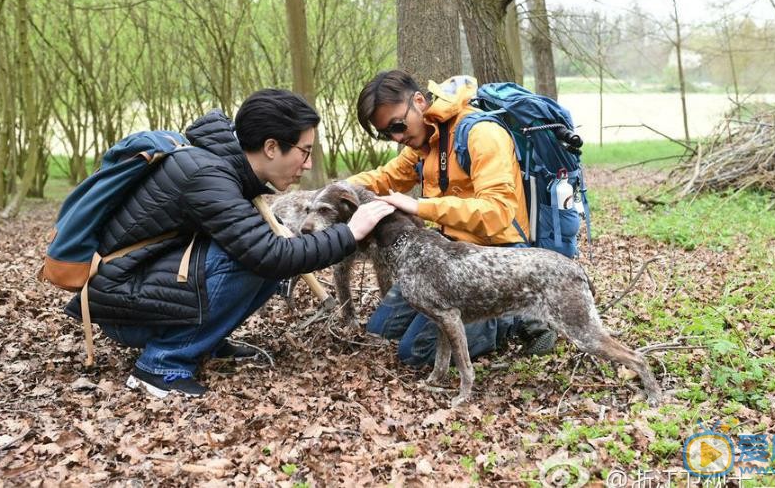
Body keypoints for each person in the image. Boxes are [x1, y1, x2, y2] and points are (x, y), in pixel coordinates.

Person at [64, 89, 395, 398]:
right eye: (304, 152)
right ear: (270, 147)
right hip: (125, 305)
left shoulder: (219, 166)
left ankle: (203, 343)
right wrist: (350, 233)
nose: (307, 165)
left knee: (269, 246)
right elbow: (268, 255)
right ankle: (162, 365)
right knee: (261, 256)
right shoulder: (206, 175)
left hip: (139, 290)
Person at [346, 70, 557, 368]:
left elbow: (497, 214)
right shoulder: (424, 143)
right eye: (387, 133)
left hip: (493, 257)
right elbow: (384, 178)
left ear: (419, 101)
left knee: (417, 353)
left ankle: (512, 315)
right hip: (449, 256)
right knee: (382, 333)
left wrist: (421, 207)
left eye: (397, 125)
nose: (397, 137)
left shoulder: (481, 134)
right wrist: (328, 194)